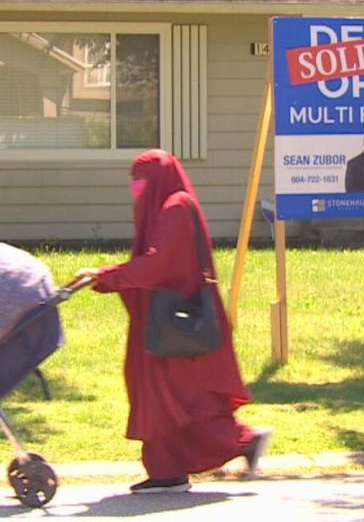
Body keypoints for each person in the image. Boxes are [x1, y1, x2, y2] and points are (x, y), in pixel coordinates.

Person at [71, 149, 271, 494]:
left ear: (158, 178)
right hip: (163, 323)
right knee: (165, 396)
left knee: (177, 399)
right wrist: (107, 278)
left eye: (142, 179)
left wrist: (106, 277)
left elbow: (157, 265)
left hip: (175, 325)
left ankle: (242, 441)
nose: (136, 187)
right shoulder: (168, 206)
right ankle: (168, 470)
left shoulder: (175, 207)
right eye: (133, 180)